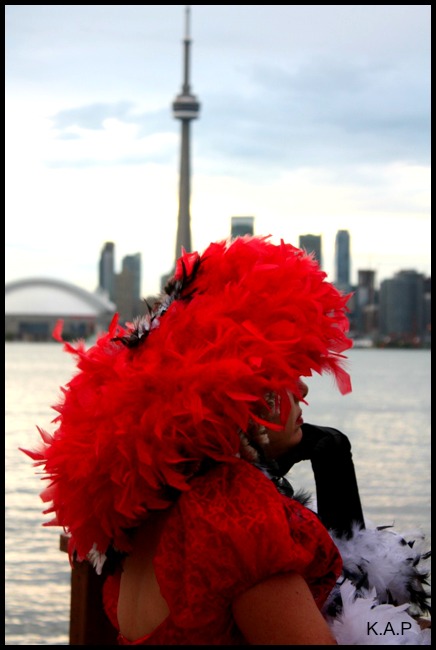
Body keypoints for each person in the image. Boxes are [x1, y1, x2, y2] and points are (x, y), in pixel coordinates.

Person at [21, 235, 430, 645]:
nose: (303, 390)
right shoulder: (233, 507)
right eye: (286, 374)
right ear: (248, 395)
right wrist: (407, 630)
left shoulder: (153, 505)